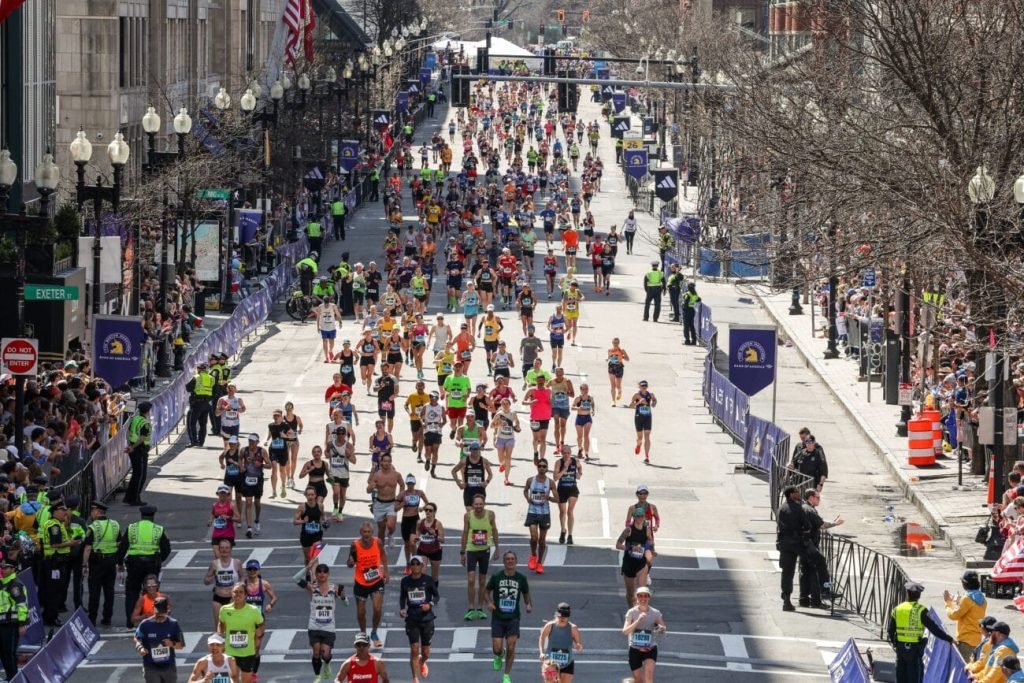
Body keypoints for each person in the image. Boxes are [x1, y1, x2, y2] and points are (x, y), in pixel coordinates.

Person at [887, 581, 955, 683]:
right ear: (918, 596)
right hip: (915, 650)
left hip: (901, 649)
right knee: (914, 678)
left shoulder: (897, 609)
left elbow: (890, 630)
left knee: (901, 677)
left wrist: (895, 643)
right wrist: (948, 638)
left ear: (907, 593)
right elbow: (934, 629)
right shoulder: (921, 610)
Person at [486, 551, 532, 683]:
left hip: (513, 618)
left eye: (512, 559)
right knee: (497, 649)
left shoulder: (521, 578)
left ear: (516, 561)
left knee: (511, 646)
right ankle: (500, 655)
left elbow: (526, 593)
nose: (510, 561)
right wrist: (489, 602)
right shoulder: (496, 577)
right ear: (504, 562)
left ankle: (506, 674)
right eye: (507, 559)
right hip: (498, 617)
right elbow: (486, 591)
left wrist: (528, 604)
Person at [298, 561, 345, 683]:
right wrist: (307, 568)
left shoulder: (334, 588)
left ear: (328, 574)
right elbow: (295, 578)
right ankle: (317, 675)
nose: (322, 574)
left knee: (325, 654)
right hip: (314, 626)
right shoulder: (312, 588)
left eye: (324, 572)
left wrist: (343, 596)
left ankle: (327, 663)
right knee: (316, 651)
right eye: (319, 571)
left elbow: (346, 604)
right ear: (316, 574)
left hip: (329, 627)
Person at [399, 555, 440, 683]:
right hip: (412, 618)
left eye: (418, 564)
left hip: (427, 619)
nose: (415, 566)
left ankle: (422, 661)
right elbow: (402, 597)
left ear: (422, 566)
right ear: (410, 566)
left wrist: (430, 605)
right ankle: (415, 678)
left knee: (426, 652)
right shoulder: (405, 581)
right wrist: (402, 608)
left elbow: (436, 596)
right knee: (414, 649)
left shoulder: (428, 580)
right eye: (413, 564)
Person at [348, 521, 389, 648]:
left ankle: (374, 632)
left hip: (376, 580)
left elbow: (383, 555)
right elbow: (350, 562)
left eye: (369, 532)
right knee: (361, 612)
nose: (367, 534)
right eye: (364, 532)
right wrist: (350, 562)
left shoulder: (378, 542)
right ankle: (363, 634)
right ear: (361, 533)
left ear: (373, 533)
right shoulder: (355, 545)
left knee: (377, 609)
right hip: (361, 582)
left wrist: (386, 571)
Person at [461, 494, 500, 621]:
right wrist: (462, 552)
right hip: (472, 551)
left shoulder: (490, 515)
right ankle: (471, 608)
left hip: (485, 551)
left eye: (480, 504)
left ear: (484, 504)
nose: (478, 506)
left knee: (482, 581)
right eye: (476, 504)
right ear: (472, 505)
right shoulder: (468, 516)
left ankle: (480, 608)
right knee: (471, 580)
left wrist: (497, 548)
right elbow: (465, 533)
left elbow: (494, 530)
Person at [799, 488, 840, 607]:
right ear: (810, 498)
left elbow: (819, 521)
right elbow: (821, 524)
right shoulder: (810, 510)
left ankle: (804, 599)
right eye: (817, 497)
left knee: (806, 571)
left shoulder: (806, 508)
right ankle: (825, 591)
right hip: (809, 544)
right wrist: (835, 523)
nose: (819, 500)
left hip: (804, 545)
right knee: (819, 567)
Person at [82, 499, 120, 626]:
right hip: (111, 561)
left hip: (97, 562)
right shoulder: (115, 525)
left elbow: (87, 548)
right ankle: (107, 618)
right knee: (109, 591)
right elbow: (119, 543)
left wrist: (84, 565)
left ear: (97, 511)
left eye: (92, 510)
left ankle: (92, 618)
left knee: (95, 591)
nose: (91, 513)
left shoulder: (93, 527)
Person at [218, 583, 266, 683]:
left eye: (241, 592)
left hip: (247, 652)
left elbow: (261, 624)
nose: (238, 594)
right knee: (233, 679)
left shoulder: (254, 611)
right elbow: (221, 623)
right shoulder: (224, 610)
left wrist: (259, 636)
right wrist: (219, 636)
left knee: (246, 681)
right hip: (230, 652)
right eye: (235, 592)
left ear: (245, 595)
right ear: (232, 594)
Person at [40, 503, 78, 627]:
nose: (65, 513)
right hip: (54, 563)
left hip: (54, 561)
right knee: (54, 590)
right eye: (63, 511)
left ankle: (49, 615)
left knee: (53, 589)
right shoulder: (54, 525)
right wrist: (71, 543)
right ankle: (51, 617)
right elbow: (55, 544)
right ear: (55, 512)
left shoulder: (57, 524)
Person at [775, 486, 811, 612]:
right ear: (790, 495)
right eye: (796, 492)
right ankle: (808, 596)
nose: (799, 493)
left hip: (784, 542)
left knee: (787, 572)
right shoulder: (798, 508)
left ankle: (786, 597)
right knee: (809, 566)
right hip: (796, 543)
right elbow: (807, 525)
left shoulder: (781, 508)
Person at [134, 596, 185, 683]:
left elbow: (181, 645)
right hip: (150, 667)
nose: (160, 618)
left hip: (169, 667)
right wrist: (140, 648)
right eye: (158, 615)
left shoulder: (173, 624)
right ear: (153, 609)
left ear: (167, 610)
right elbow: (137, 638)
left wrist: (172, 643)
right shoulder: (145, 624)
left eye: (162, 615)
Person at [623, 587, 666, 683]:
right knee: (639, 680)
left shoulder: (655, 613)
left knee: (649, 675)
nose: (643, 598)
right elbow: (625, 631)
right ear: (636, 598)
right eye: (640, 596)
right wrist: (638, 621)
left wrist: (661, 629)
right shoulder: (631, 612)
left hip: (650, 648)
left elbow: (663, 629)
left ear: (649, 597)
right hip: (635, 648)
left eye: (645, 596)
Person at [944, 570, 988, 662]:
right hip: (977, 640)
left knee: (965, 670)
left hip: (965, 641)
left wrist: (948, 603)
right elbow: (970, 607)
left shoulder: (966, 599)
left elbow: (954, 615)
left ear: (965, 584)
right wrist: (959, 600)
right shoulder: (982, 598)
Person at [524, 460, 558, 575]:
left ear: (547, 468)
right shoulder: (530, 480)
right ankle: (533, 555)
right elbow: (525, 490)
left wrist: (548, 498)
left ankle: (539, 563)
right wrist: (527, 498)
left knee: (542, 540)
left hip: (544, 513)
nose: (542, 468)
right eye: (540, 466)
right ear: (537, 468)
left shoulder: (551, 483)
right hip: (532, 512)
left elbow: (557, 499)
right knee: (534, 537)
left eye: (544, 466)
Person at [617, 507, 655, 608]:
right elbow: (618, 545)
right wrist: (630, 548)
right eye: (637, 516)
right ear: (634, 517)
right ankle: (631, 611)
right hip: (629, 564)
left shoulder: (646, 529)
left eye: (641, 516)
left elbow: (650, 541)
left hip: (641, 564)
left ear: (644, 517)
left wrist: (650, 548)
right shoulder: (628, 530)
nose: (640, 518)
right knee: (630, 594)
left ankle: (641, 612)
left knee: (641, 592)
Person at [538, 602, 584, 682]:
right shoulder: (549, 626)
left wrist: (578, 646)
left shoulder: (573, 628)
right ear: (556, 615)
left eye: (565, 617)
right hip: (551, 663)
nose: (562, 618)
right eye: (560, 616)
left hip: (567, 663)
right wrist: (541, 652)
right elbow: (542, 638)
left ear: (568, 616)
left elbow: (579, 644)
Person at [205, 539, 243, 631]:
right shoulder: (214, 563)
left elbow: (243, 577)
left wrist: (239, 586)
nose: (224, 550)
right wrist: (208, 580)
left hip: (232, 598)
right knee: (219, 627)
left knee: (232, 625)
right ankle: (220, 644)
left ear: (230, 549)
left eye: (227, 548)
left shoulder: (237, 563)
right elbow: (206, 580)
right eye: (222, 548)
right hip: (218, 598)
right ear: (219, 549)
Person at [0, 551, 27, 680]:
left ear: (13, 569)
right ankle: (10, 676)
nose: (3, 570)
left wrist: (21, 624)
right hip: (1, 623)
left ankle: (13, 677)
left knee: (8, 652)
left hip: (11, 624)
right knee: (3, 653)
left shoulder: (15, 585)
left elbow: (22, 605)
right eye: (2, 568)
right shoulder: (2, 583)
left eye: (6, 568)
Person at [397, 475, 429, 570]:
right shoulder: (402, 494)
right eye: (408, 484)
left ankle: (415, 562)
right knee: (407, 544)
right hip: (405, 520)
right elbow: (395, 508)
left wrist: (422, 508)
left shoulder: (419, 493)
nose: (410, 485)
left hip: (415, 520)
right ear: (406, 484)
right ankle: (408, 563)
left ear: (414, 483)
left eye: (412, 483)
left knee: (412, 543)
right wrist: (403, 503)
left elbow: (428, 503)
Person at [124, 401, 154, 506]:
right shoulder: (145, 423)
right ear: (148, 411)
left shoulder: (135, 419)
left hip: (133, 448)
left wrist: (129, 445)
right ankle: (135, 498)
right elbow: (141, 438)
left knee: (136, 474)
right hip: (139, 450)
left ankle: (129, 497)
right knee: (140, 475)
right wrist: (132, 447)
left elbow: (128, 432)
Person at [553, 445, 582, 545]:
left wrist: (580, 474)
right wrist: (564, 468)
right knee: (562, 512)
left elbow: (579, 467)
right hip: (561, 489)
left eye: (568, 453)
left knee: (570, 511)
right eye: (564, 453)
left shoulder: (575, 461)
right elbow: (555, 478)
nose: (566, 455)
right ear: (562, 454)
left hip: (572, 488)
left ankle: (570, 535)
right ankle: (563, 530)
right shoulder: (558, 463)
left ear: (570, 453)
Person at [413, 503, 445, 586]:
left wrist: (435, 535)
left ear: (434, 512)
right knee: (421, 572)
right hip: (422, 550)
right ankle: (422, 592)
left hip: (435, 551)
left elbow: (442, 540)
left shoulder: (438, 524)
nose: (428, 512)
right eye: (426, 510)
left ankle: (434, 594)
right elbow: (418, 532)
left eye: (430, 510)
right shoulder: (420, 522)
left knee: (434, 577)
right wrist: (417, 538)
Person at [186, 362, 216, 446]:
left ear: (199, 369)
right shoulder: (211, 378)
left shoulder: (196, 377)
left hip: (196, 404)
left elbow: (188, 388)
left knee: (192, 423)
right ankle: (201, 442)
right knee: (203, 424)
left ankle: (194, 441)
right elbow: (215, 391)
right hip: (206, 404)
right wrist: (208, 398)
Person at [628, 381, 657, 463]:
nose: (644, 387)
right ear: (639, 387)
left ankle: (647, 456)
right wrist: (638, 402)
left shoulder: (651, 395)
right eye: (642, 386)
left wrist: (654, 403)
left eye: (645, 385)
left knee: (647, 436)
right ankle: (638, 445)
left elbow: (655, 401)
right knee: (640, 438)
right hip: (638, 417)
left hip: (647, 417)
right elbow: (630, 406)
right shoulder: (636, 395)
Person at [316, 291, 343, 362]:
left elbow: (338, 314)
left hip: (332, 327)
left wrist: (340, 322)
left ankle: (330, 351)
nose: (326, 305)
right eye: (325, 303)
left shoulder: (333, 306)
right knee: (324, 341)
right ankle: (326, 357)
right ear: (323, 302)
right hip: (323, 327)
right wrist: (317, 327)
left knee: (332, 341)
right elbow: (318, 317)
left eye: (327, 303)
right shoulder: (320, 307)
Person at [607, 338, 630, 406]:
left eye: (617, 343)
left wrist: (622, 357)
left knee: (618, 385)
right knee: (612, 385)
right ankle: (613, 401)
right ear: (612, 343)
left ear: (619, 343)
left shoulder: (621, 350)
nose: (615, 344)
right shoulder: (609, 350)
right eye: (614, 342)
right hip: (611, 367)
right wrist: (607, 359)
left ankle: (619, 391)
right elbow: (609, 357)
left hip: (619, 367)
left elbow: (628, 359)